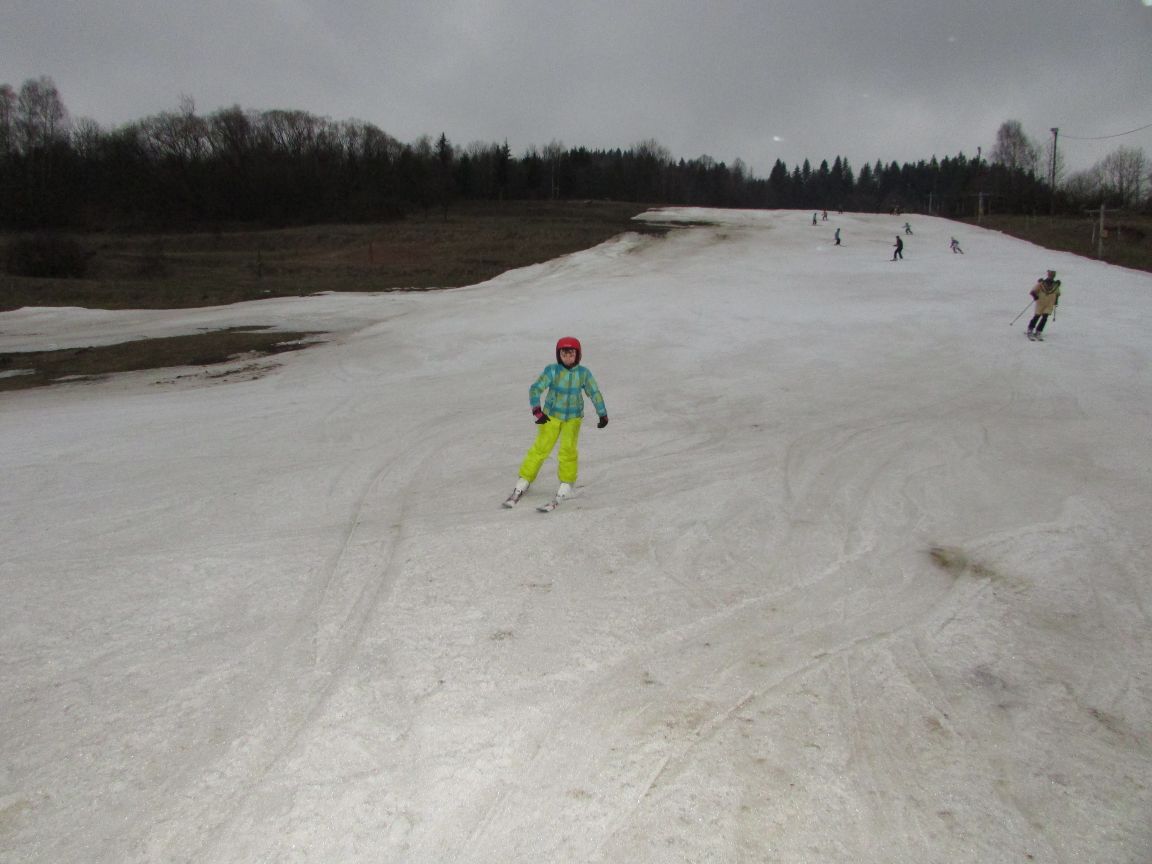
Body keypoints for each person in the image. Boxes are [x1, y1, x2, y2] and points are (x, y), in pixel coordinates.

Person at [504, 336, 608, 509]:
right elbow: (535, 388)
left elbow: (594, 392)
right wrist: (537, 410)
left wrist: (602, 413)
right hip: (551, 416)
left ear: (577, 355)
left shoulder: (583, 373)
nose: (567, 358)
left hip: (573, 418)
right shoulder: (552, 371)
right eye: (563, 354)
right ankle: (524, 479)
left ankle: (567, 481)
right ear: (558, 355)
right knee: (540, 448)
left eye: (571, 354)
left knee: (568, 450)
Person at [1026, 271, 1061, 340]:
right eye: (1050, 275)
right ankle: (1030, 329)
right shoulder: (1041, 283)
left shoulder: (1055, 285)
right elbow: (1033, 291)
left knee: (1045, 317)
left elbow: (1057, 294)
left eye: (1053, 276)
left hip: (1049, 303)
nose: (1051, 277)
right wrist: (1035, 296)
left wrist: (1056, 301)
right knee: (1037, 316)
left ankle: (1039, 331)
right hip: (1040, 303)